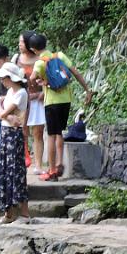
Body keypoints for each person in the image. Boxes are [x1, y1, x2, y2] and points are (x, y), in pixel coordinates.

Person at [29, 34, 93, 181]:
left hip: (51, 102)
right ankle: (59, 164)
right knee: (59, 132)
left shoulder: (40, 63)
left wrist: (42, 83)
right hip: (66, 100)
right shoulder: (60, 55)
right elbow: (75, 72)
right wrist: (87, 90)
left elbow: (32, 79)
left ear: (33, 49)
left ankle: (52, 171)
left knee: (51, 135)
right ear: (46, 43)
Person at [0, 63, 30, 223]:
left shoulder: (21, 93)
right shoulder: (10, 92)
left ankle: (24, 214)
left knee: (16, 172)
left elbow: (3, 115)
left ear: (10, 78)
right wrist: (3, 110)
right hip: (7, 133)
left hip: (14, 135)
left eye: (3, 77)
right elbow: (3, 114)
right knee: (5, 171)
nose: (1, 80)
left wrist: (4, 113)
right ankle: (8, 214)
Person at [13, 33, 45, 173]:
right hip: (21, 101)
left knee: (37, 133)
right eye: (19, 41)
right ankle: (23, 161)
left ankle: (38, 165)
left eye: (22, 42)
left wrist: (43, 93)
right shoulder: (16, 59)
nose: (19, 44)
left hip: (37, 100)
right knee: (22, 131)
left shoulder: (40, 59)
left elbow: (47, 77)